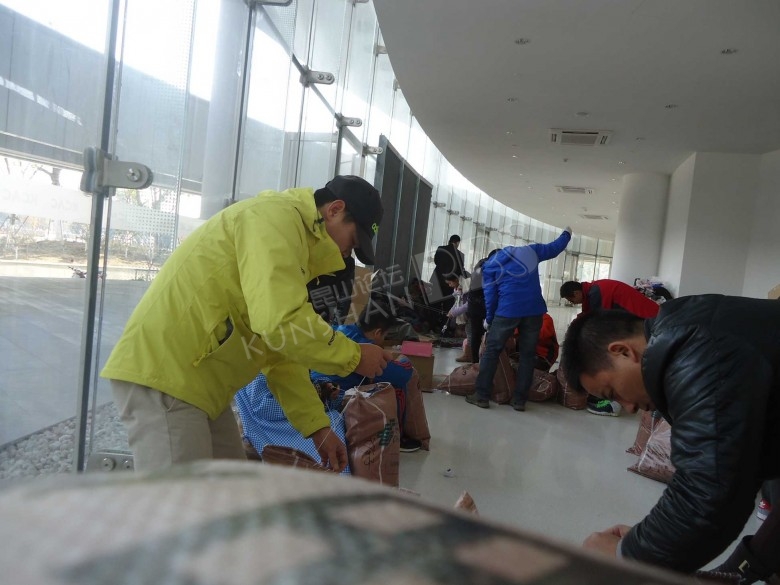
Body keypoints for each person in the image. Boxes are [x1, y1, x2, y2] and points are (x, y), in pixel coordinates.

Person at [102, 175, 391, 473]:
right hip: (166, 373)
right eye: (352, 242)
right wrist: (354, 356)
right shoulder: (274, 220)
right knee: (180, 498)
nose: (346, 254)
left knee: (231, 489)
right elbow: (281, 323)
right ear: (334, 210)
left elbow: (280, 354)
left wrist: (317, 426)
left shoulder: (294, 249)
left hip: (200, 385)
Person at [560, 296, 780, 582]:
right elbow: (736, 469)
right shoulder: (686, 335)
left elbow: (709, 491)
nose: (628, 407)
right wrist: (736, 570)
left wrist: (628, 554)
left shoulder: (696, 351)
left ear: (622, 351)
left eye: (612, 393)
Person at [465, 227, 572, 411]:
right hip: (534, 310)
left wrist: (489, 319)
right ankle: (519, 400)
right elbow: (555, 248)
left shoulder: (489, 266)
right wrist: (567, 234)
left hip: (507, 310)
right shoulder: (530, 252)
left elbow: (490, 296)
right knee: (528, 355)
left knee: (492, 351)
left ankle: (481, 395)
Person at [314, 299, 423, 453]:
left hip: (314, 393)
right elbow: (403, 375)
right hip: (335, 400)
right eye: (385, 335)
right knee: (396, 388)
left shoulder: (337, 331)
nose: (383, 340)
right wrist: (404, 360)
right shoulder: (366, 350)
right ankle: (397, 439)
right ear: (377, 333)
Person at [560, 278, 660, 416]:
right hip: (649, 322)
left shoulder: (596, 292)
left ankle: (612, 403)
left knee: (605, 359)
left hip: (651, 325)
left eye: (571, 299)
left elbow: (598, 326)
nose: (572, 303)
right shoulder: (594, 290)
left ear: (576, 293)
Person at [430, 235, 466, 325]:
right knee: (448, 305)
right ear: (457, 242)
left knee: (435, 303)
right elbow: (461, 270)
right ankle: (445, 325)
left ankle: (432, 325)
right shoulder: (460, 255)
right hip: (451, 283)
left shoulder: (440, 249)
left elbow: (436, 261)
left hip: (437, 280)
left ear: (449, 241)